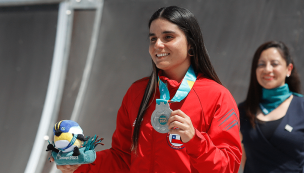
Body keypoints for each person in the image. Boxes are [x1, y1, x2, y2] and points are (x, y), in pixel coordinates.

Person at [53, 6, 242, 173]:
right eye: (153, 39)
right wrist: (81, 163)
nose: (158, 45)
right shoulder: (137, 93)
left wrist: (195, 140)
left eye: (168, 37)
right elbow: (122, 157)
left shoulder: (218, 96)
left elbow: (229, 167)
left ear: (191, 43)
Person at [239, 41, 304, 173]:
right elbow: (243, 157)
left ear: (288, 69)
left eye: (274, 64)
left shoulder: (301, 107)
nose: (267, 69)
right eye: (261, 64)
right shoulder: (243, 110)